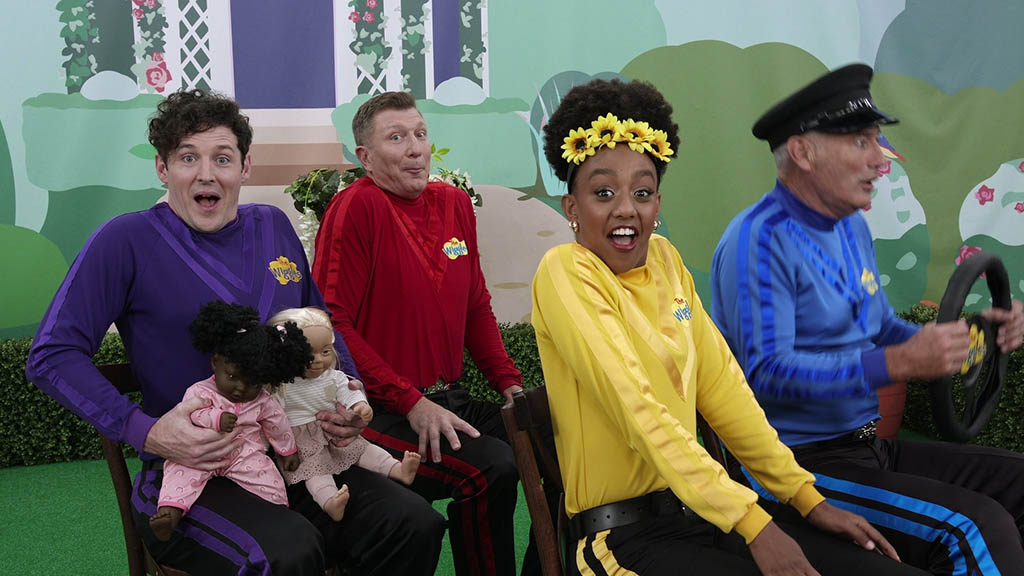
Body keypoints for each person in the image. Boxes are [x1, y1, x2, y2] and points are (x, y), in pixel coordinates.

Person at [25, 88, 444, 575]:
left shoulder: (273, 227)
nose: (206, 174)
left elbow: (319, 323)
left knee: (413, 523)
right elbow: (52, 355)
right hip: (193, 473)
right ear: (162, 168)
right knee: (288, 552)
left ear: (245, 168)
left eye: (222, 158)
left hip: (296, 455)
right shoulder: (125, 240)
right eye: (188, 157)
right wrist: (147, 431)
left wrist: (350, 396)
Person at [530, 77, 926, 576]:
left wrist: (806, 499)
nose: (626, 208)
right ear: (571, 208)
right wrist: (754, 524)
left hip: (700, 518)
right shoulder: (565, 270)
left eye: (643, 192)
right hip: (621, 541)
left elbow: (724, 389)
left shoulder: (666, 261)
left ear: (657, 206)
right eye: (603, 192)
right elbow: (639, 411)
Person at [711, 63, 1024, 575]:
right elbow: (764, 374)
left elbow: (881, 329)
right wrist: (897, 363)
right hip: (795, 467)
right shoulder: (758, 240)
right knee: (974, 530)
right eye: (861, 142)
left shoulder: (850, 226)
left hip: (867, 449)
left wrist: (974, 339)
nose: (881, 160)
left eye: (876, 140)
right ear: (802, 152)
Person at [313, 90, 545, 576]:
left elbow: (475, 305)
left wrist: (509, 383)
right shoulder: (357, 206)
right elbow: (331, 323)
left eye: (420, 134)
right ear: (366, 157)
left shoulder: (455, 203)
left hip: (448, 399)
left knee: (557, 441)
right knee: (492, 466)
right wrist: (410, 401)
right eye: (397, 138)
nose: (416, 148)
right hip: (377, 412)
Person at [150, 301, 308, 541]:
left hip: (243, 454)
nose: (240, 388)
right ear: (216, 363)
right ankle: (170, 512)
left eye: (252, 382)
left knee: (267, 475)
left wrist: (288, 451)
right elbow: (191, 414)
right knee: (180, 471)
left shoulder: (262, 400)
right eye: (232, 376)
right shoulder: (200, 390)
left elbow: (278, 424)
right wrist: (216, 418)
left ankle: (276, 512)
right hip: (199, 453)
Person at [268, 306, 421, 521]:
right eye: (308, 352)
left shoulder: (334, 377)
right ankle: (330, 501)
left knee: (364, 450)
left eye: (325, 351)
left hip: (335, 431)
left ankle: (397, 469)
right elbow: (271, 416)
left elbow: (349, 392)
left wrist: (360, 406)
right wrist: (281, 447)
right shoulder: (284, 385)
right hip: (302, 439)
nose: (318, 359)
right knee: (316, 472)